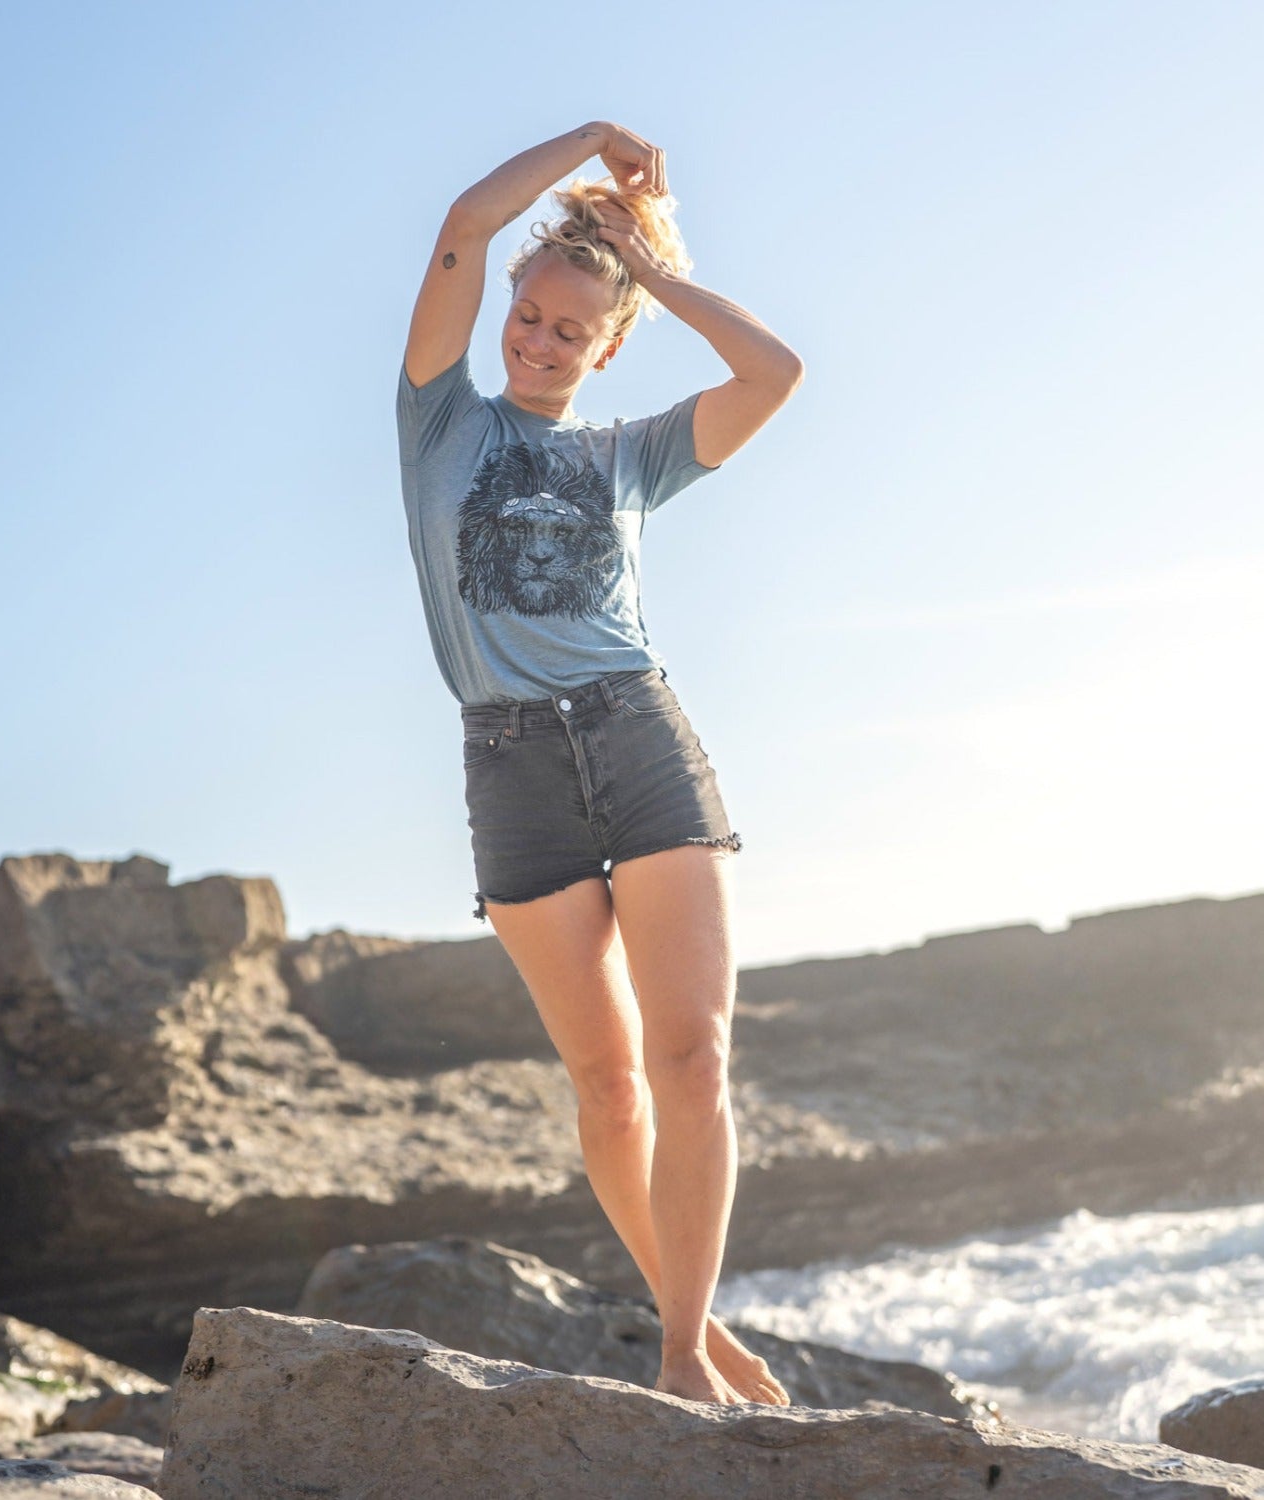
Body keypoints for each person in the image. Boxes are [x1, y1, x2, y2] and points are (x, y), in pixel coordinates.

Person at [395, 122, 803, 1406]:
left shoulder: (633, 454)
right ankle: (698, 1322)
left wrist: (651, 263)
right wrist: (583, 143)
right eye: (530, 314)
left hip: (637, 739)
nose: (540, 340)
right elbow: (461, 222)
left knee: (692, 1062)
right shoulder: (439, 425)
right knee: (613, 1089)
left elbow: (776, 371)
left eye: (574, 330)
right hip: (509, 769)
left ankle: (684, 1352)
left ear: (607, 345)